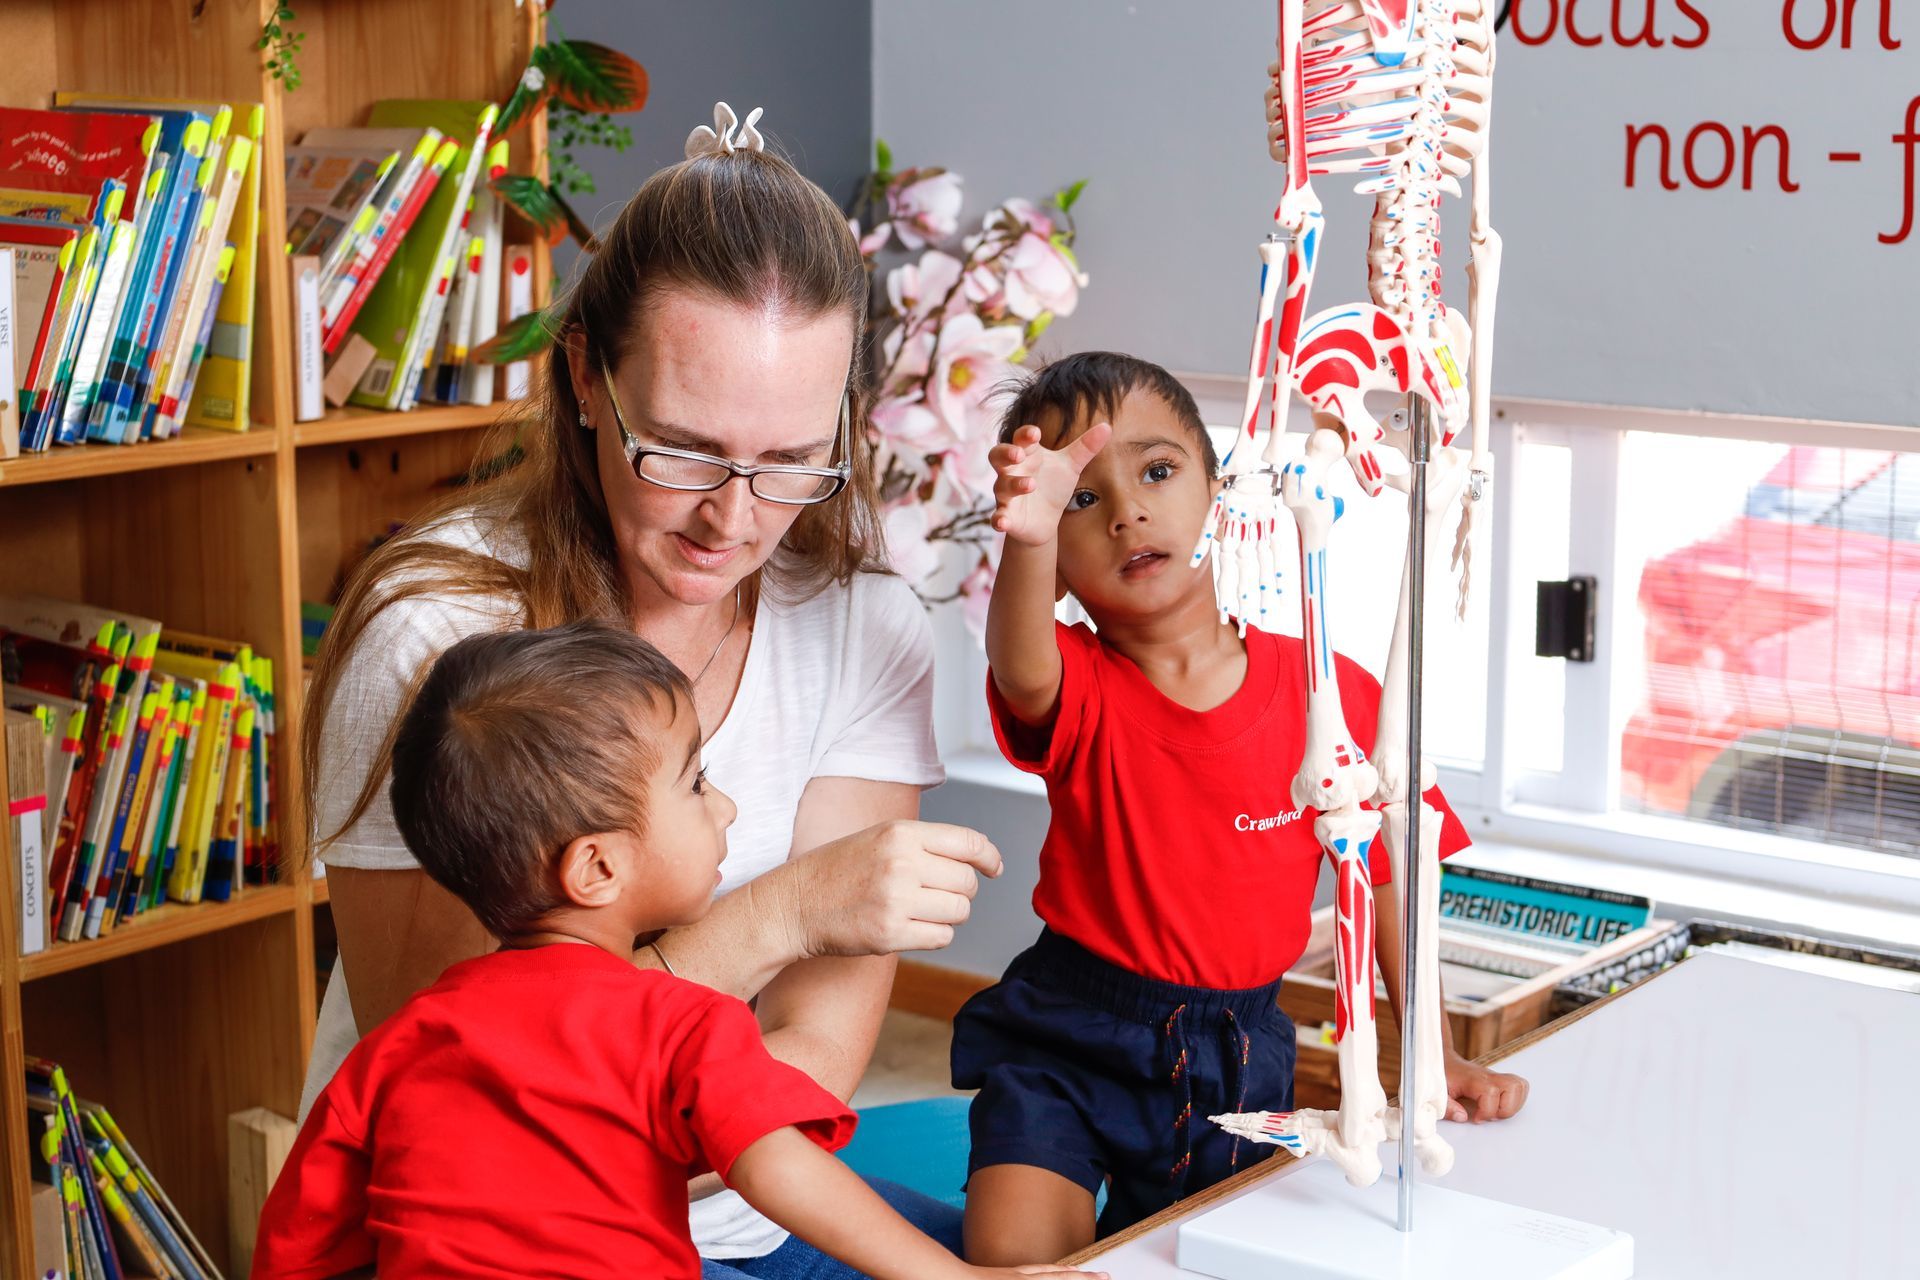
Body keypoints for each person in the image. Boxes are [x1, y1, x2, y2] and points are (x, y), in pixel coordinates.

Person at [300, 106, 992, 1278]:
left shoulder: (864, 620)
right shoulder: (435, 634)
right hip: (486, 1239)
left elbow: (810, 1055)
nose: (733, 518)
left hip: (746, 1202)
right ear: (584, 377)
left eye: (787, 459)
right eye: (679, 448)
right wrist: (781, 913)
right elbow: (474, 1094)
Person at [255, 624, 1100, 1280]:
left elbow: (302, 1241)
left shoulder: (403, 1045)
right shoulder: (678, 1019)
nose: (726, 808)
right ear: (598, 867)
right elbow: (782, 1170)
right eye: (696, 784)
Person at [951, 352, 1531, 1266]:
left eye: (1156, 471)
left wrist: (1435, 1053)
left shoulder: (1332, 696)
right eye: (1080, 502)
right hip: (1069, 1040)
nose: (1128, 513)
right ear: (1054, 564)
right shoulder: (1081, 688)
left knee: (1220, 1257)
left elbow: (1388, 882)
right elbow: (1022, 669)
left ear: (1220, 494)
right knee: (1016, 1262)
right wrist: (1025, 536)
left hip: (1241, 1053)